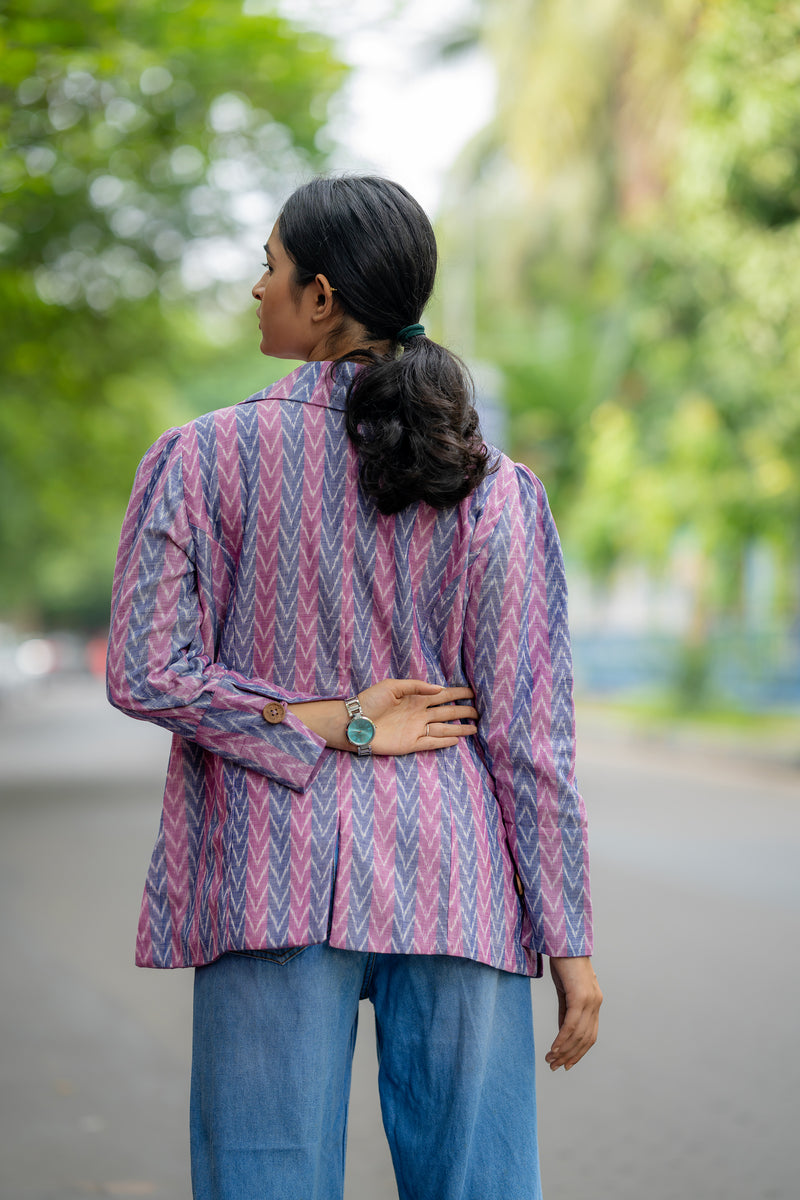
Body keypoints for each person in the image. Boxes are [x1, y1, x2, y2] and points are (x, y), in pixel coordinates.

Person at [107, 174, 601, 1200]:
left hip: (266, 877)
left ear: (321, 296)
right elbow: (529, 739)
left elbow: (148, 670)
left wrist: (304, 724)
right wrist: (570, 945)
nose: (256, 289)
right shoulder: (491, 487)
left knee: (262, 1183)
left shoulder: (199, 460)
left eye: (269, 267)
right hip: (456, 884)